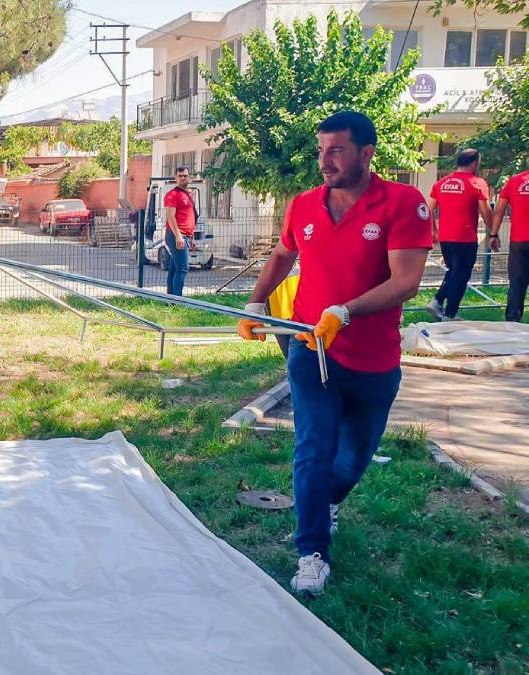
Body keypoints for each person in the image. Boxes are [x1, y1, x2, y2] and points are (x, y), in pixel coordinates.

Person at [236, 111, 431, 595]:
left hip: (374, 356)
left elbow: (406, 281)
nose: (324, 161)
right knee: (312, 451)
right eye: (321, 149)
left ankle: (326, 503)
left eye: (336, 150)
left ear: (366, 153)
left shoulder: (403, 203)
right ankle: (312, 553)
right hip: (309, 346)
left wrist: (345, 312)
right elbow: (283, 254)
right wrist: (256, 302)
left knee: (352, 460)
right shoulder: (303, 205)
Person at [426, 149, 494, 321]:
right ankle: (450, 313)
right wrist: (494, 232)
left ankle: (438, 302)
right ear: (475, 163)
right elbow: (485, 212)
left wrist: (433, 230)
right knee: (461, 275)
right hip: (465, 236)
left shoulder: (441, 183)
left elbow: (428, 208)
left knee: (454, 272)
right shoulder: (477, 183)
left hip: (446, 237)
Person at [492, 168, 529, 322]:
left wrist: (494, 234)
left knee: (517, 283)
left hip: (519, 241)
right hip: (519, 241)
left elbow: (499, 210)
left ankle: (512, 322)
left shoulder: (514, 181)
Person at [163, 166, 198, 296]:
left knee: (174, 268)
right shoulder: (172, 195)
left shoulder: (188, 193)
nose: (183, 178)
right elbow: (170, 217)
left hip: (186, 235)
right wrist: (178, 236)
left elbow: (190, 216)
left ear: (189, 177)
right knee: (183, 268)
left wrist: (192, 237)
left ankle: (171, 299)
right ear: (175, 178)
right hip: (176, 235)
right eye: (180, 176)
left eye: (185, 175)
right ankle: (177, 300)